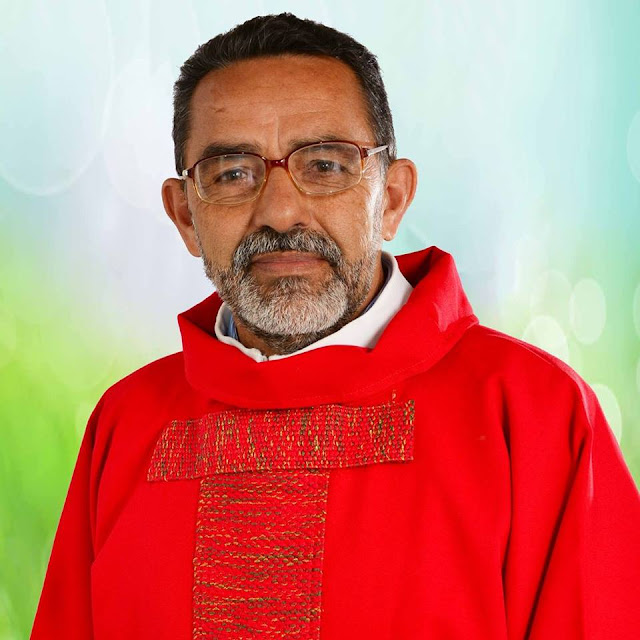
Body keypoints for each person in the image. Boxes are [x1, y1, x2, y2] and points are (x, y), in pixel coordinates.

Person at [31, 12, 639, 640]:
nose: (280, 210)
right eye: (232, 173)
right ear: (185, 215)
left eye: (325, 166)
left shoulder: (536, 415)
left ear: (392, 198)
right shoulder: (128, 426)